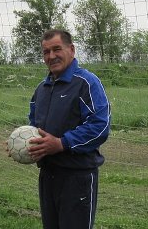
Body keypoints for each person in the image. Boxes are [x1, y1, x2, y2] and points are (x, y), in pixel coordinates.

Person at [28, 29, 111, 229]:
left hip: (77, 176)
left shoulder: (87, 83)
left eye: (57, 49)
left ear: (71, 50)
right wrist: (26, 145)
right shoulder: (41, 89)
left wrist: (61, 143)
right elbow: (33, 125)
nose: (51, 56)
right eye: (46, 52)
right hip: (48, 175)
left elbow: (100, 126)